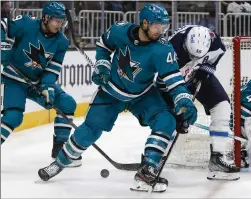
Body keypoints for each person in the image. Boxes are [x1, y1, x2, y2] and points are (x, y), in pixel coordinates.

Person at [38, 4, 197, 193]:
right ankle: (59, 163)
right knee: (90, 130)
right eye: (157, 27)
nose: (161, 32)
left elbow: (174, 79)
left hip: (143, 94)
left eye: (164, 28)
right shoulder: (119, 31)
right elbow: (104, 45)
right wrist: (103, 65)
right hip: (111, 92)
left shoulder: (163, 49)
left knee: (166, 120)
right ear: (144, 23)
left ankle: (148, 169)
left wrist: (183, 99)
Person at [0, 2, 80, 167]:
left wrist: (47, 87)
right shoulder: (26, 24)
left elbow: (51, 70)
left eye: (61, 21)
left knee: (67, 103)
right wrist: (3, 46)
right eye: (56, 21)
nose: (60, 24)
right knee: (13, 117)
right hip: (13, 79)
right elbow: (3, 25)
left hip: (35, 82)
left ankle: (59, 151)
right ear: (45, 18)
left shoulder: (61, 42)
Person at [156, 25, 240, 180]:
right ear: (185, 44)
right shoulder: (170, 48)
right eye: (191, 54)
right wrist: (178, 112)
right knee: (169, 118)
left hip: (198, 75)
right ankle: (155, 159)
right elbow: (162, 84)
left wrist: (206, 69)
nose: (194, 58)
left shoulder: (214, 41)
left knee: (222, 107)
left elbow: (218, 53)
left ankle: (218, 158)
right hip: (175, 83)